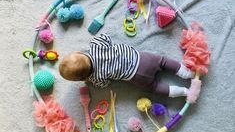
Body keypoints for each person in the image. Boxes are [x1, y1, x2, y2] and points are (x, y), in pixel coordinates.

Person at [59, 34, 194, 98]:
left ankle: (183, 92)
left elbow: (105, 84)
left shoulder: (96, 78)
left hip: (134, 76)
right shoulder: (96, 47)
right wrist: (94, 40)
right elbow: (105, 37)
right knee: (163, 61)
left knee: (154, 87)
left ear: (82, 78)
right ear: (78, 52)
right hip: (142, 59)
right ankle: (186, 73)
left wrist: (89, 81)